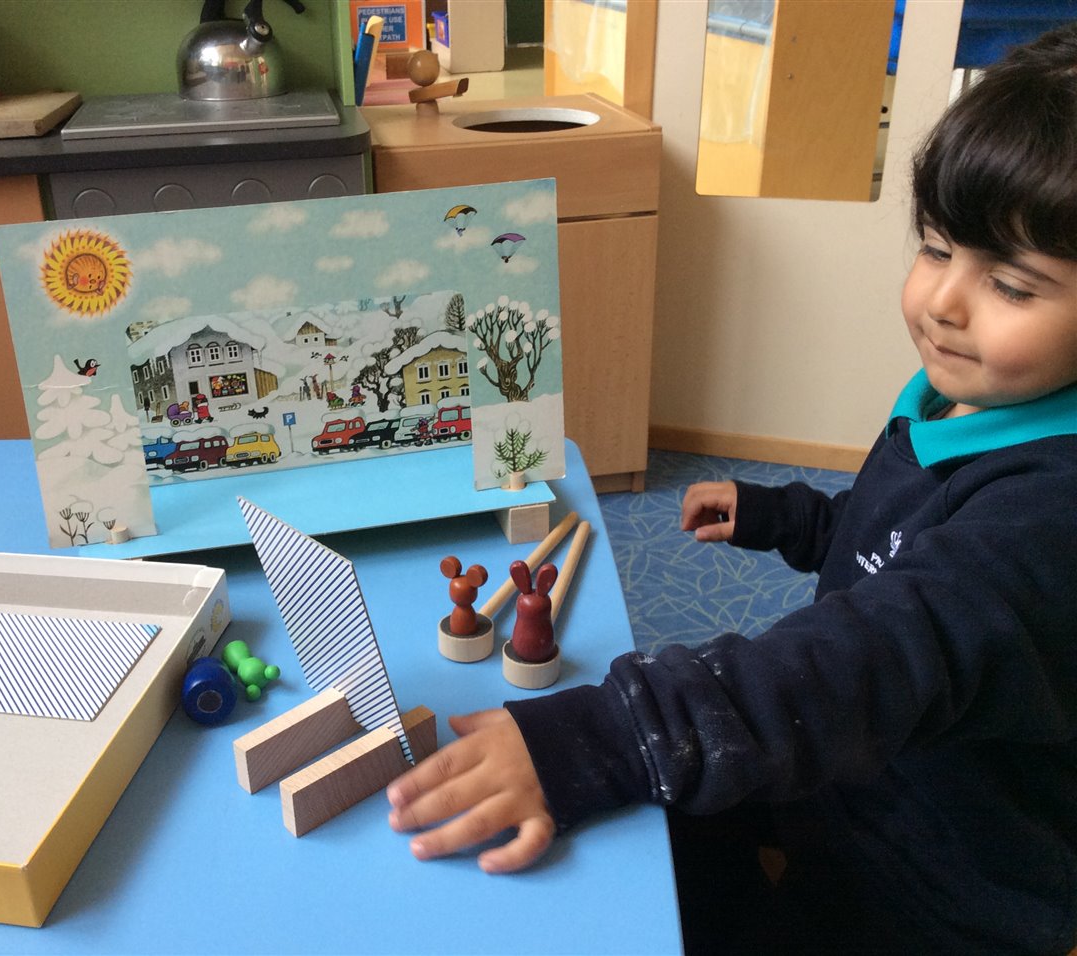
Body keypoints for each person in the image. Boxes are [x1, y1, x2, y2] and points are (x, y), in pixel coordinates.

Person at [387, 23, 1077, 956]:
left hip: (938, 881)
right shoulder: (961, 400)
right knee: (639, 846)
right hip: (847, 777)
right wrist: (791, 517)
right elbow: (896, 540)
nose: (944, 304)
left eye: (1013, 286)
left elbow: (882, 646)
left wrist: (602, 737)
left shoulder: (1051, 517)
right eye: (936, 247)